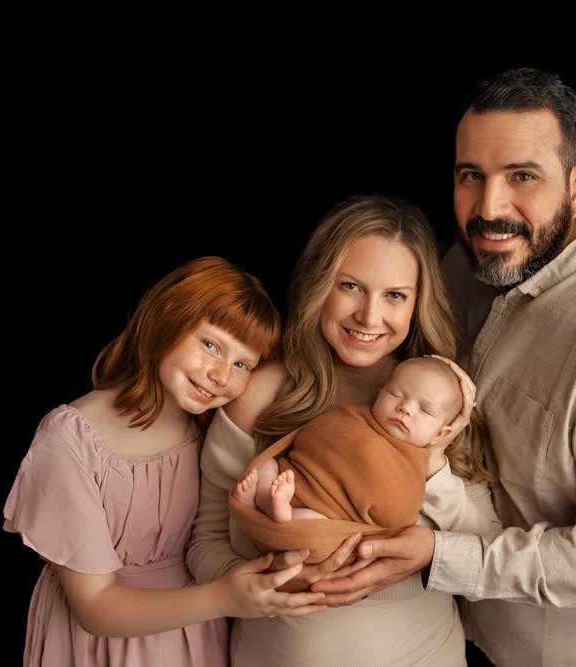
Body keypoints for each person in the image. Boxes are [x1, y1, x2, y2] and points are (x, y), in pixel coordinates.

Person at [312, 68, 576, 667]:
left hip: (555, 655)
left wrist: (442, 555)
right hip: (441, 627)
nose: (489, 208)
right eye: (471, 176)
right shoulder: (464, 264)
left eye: (522, 176)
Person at [187, 194, 501, 666]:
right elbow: (203, 543)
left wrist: (433, 482)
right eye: (350, 286)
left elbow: (489, 545)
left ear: (418, 303)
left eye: (395, 295)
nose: (370, 317)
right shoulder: (262, 394)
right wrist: (264, 583)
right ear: (318, 284)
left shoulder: (437, 402)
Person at [3, 256, 326, 667]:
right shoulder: (70, 438)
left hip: (196, 631)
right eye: (210, 345)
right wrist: (224, 597)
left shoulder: (209, 430)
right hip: (106, 639)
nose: (221, 376)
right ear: (166, 322)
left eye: (242, 364)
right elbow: (95, 606)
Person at [231, 356, 467, 563]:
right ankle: (258, 502)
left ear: (440, 434)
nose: (405, 408)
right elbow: (312, 436)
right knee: (266, 466)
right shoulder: (352, 416)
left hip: (323, 518)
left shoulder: (413, 467)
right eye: (396, 394)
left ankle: (281, 512)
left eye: (425, 410)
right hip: (294, 480)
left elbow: (397, 517)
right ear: (379, 393)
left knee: (315, 527)